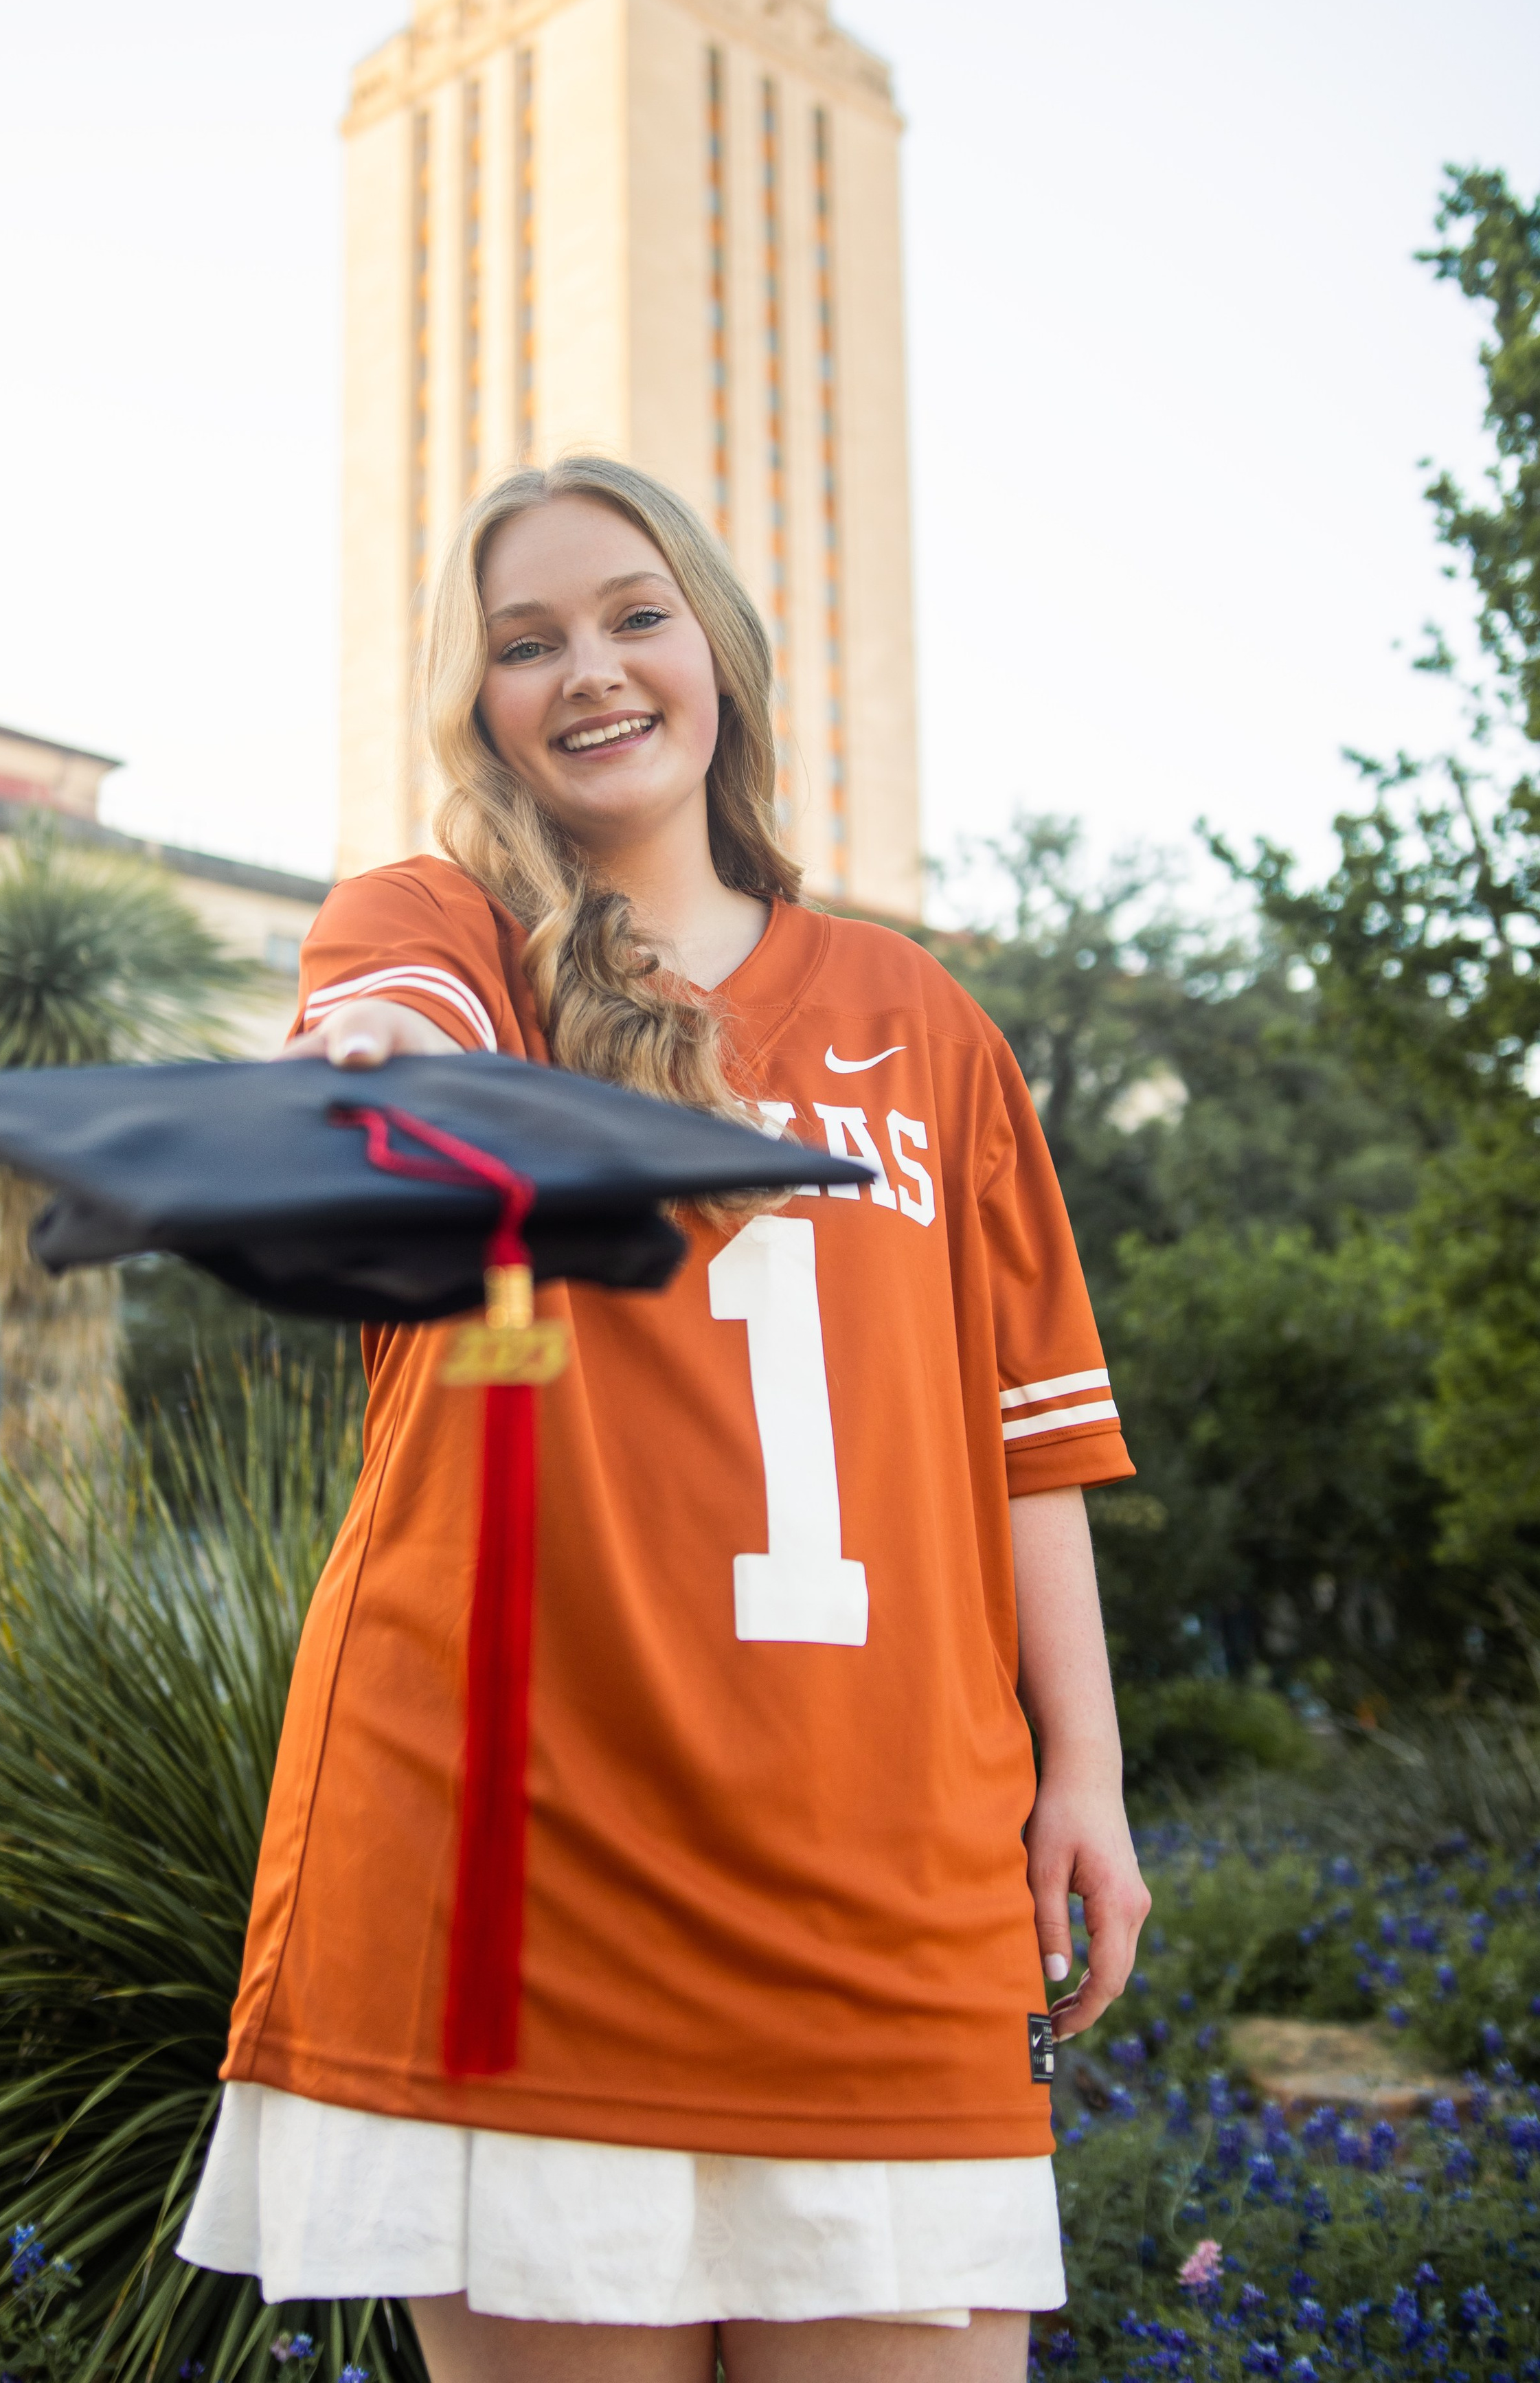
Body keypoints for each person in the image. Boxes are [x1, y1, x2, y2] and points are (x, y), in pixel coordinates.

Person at [179, 456, 1151, 2382]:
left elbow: (1026, 1448)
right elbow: (395, 1016)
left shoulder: (923, 1019)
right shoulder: (441, 921)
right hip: (514, 1875)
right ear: (480, 704)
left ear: (718, 646)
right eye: (526, 643)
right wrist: (384, 1058)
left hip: (883, 1885)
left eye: (634, 615)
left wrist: (1089, 1782)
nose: (591, 671)